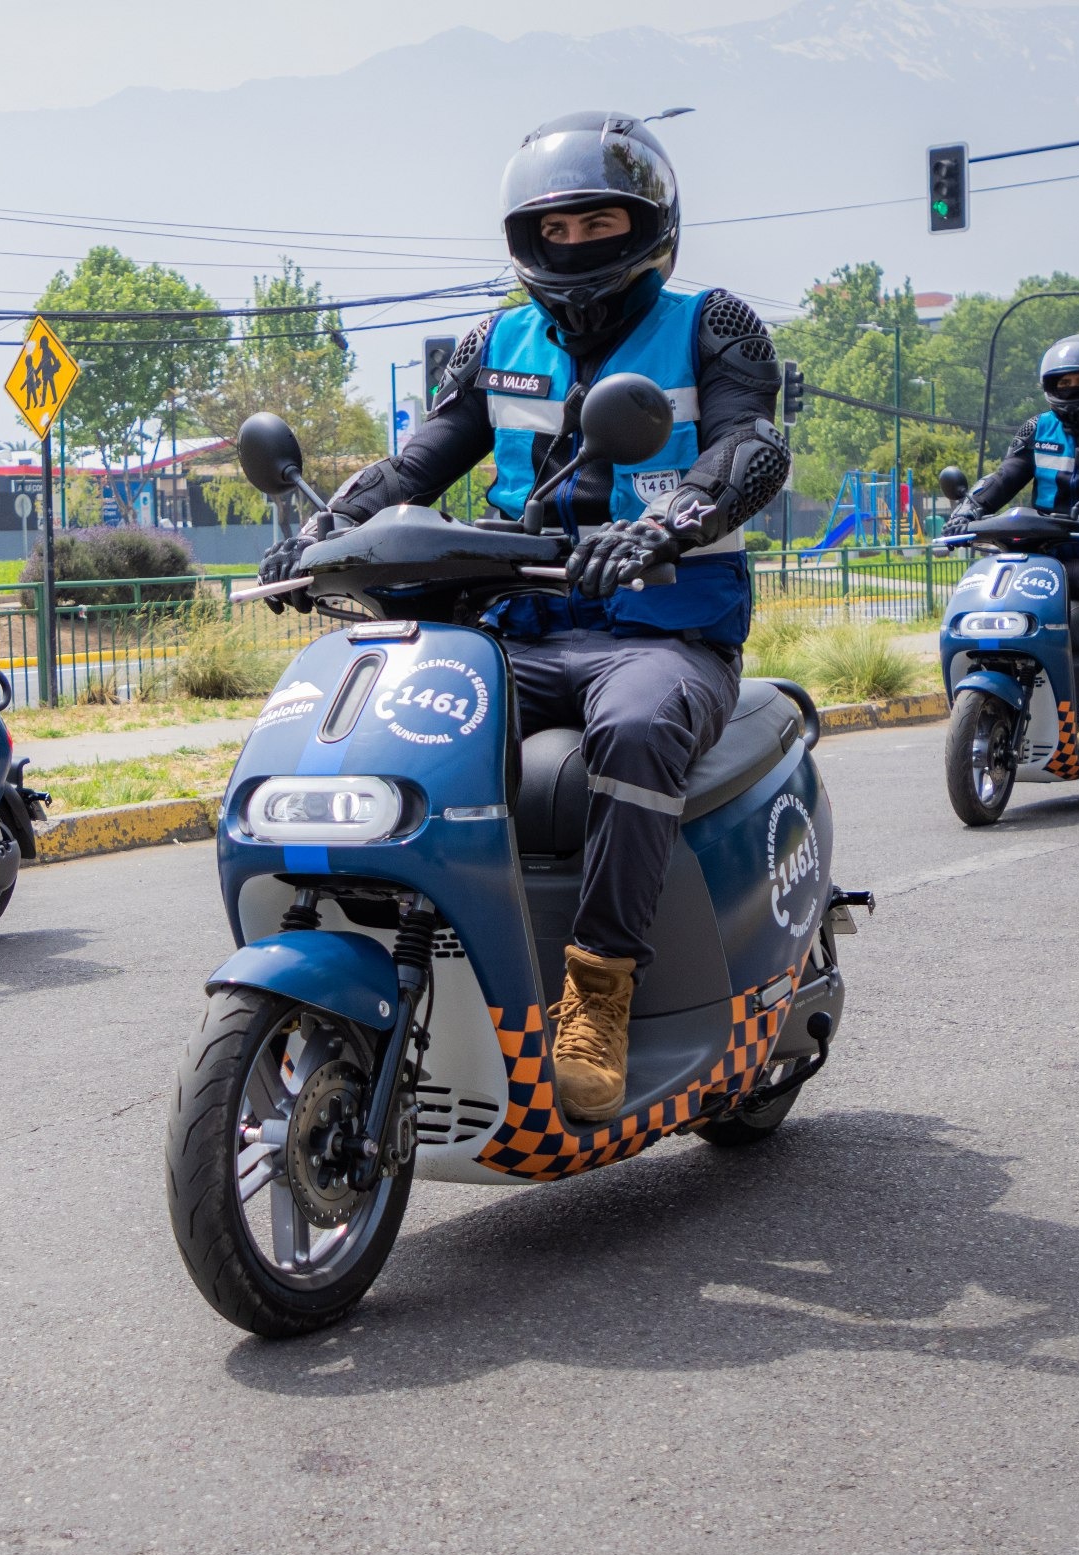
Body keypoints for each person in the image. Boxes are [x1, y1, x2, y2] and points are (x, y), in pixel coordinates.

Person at [259, 110, 791, 1125]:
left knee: (635, 728)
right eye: (559, 227)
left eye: (600, 222)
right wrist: (322, 532)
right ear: (526, 238)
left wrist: (668, 524)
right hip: (526, 631)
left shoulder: (712, 325)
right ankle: (402, 954)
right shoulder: (495, 340)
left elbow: (749, 450)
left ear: (648, 225)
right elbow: (418, 463)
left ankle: (598, 996)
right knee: (399, 715)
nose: (578, 243)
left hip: (665, 631)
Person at [946, 332, 1079, 756]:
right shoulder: (1036, 429)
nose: (1071, 388)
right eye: (1062, 381)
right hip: (1046, 556)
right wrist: (968, 509)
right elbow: (1006, 475)